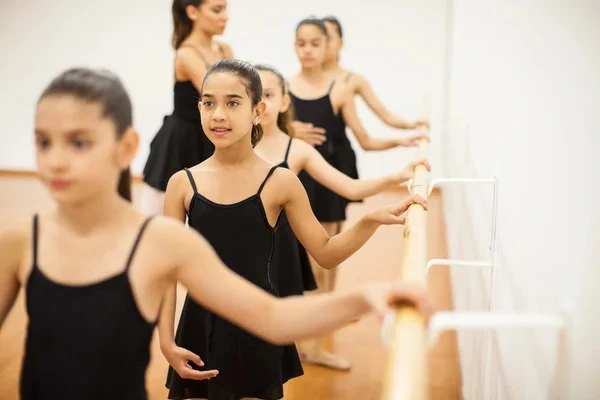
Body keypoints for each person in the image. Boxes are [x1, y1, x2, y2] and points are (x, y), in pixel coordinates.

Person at [0, 67, 433, 400]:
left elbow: (281, 308)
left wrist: (368, 272)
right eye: (42, 142)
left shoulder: (264, 186)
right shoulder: (22, 241)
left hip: (252, 326)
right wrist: (167, 340)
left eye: (78, 143)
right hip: (200, 330)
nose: (55, 161)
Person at [158, 59, 430, 399]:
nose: (218, 115)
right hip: (199, 328)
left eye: (232, 103)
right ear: (199, 107)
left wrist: (369, 220)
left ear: (258, 110)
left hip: (263, 322)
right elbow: (166, 272)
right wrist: (166, 341)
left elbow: (326, 254)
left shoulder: (280, 181)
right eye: (209, 103)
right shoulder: (182, 184)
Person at [287, 17, 429, 370]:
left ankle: (318, 336)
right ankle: (309, 333)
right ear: (294, 45)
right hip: (298, 177)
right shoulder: (284, 88)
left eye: (315, 43)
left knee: (328, 262)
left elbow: (364, 136)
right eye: (301, 43)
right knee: (303, 262)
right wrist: (288, 127)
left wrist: (405, 137)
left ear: (330, 46)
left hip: (331, 178)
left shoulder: (341, 88)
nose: (308, 50)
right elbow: (262, 125)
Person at [252, 63, 430, 301]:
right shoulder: (235, 146)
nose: (260, 103)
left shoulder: (297, 151)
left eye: (268, 95)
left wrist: (395, 177)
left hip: (279, 252)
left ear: (284, 103)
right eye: (253, 96)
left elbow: (349, 187)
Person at [140, 0, 232, 215]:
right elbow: (218, 93)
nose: (224, 16)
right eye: (217, 10)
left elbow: (242, 92)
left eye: (226, 9)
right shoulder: (186, 54)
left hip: (211, 139)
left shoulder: (225, 49)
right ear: (192, 12)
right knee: (160, 220)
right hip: (180, 144)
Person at [322, 15, 430, 131]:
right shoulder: (301, 80)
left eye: (329, 38)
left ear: (340, 43)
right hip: (305, 148)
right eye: (319, 39)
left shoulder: (353, 80)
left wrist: (410, 124)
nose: (324, 44)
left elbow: (384, 114)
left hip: (337, 147)